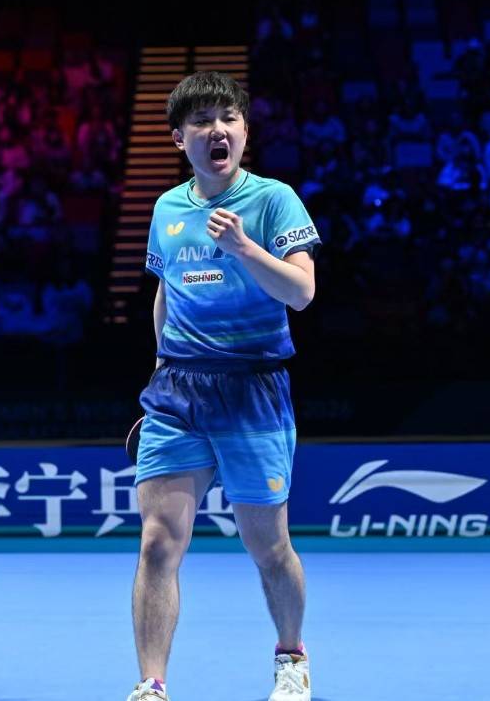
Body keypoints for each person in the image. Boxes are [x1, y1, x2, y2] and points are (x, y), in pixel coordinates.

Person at [128, 71, 320, 701]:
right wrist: (160, 364)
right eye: (203, 121)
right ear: (179, 138)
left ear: (243, 131)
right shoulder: (166, 209)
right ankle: (151, 684)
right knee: (159, 543)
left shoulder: (274, 201)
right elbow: (166, 291)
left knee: (269, 547)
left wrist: (243, 248)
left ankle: (290, 657)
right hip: (178, 391)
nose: (218, 130)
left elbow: (301, 292)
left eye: (229, 119)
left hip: (252, 387)